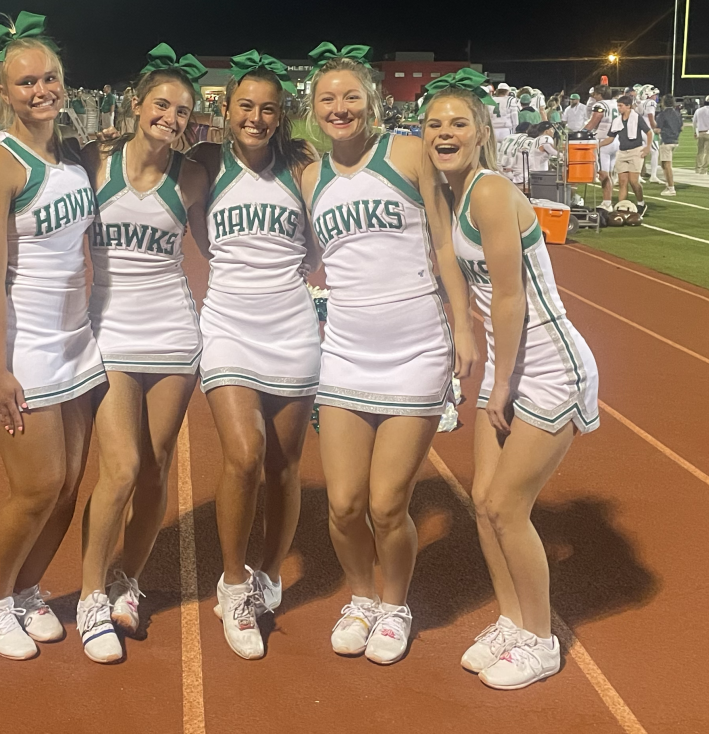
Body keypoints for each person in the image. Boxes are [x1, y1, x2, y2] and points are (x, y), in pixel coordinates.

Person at [423, 73, 599, 690]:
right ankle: (511, 622)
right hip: (509, 364)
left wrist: (499, 386)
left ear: (482, 133)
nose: (445, 133)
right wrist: (471, 347)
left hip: (548, 366)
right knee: (481, 503)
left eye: (458, 123)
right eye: (434, 124)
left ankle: (541, 640)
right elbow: (452, 269)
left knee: (505, 506)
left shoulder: (492, 192)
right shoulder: (451, 194)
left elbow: (509, 297)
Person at [303, 47, 472, 666]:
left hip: (415, 347)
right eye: (328, 98)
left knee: (386, 503)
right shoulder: (309, 177)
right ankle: (360, 597)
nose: (340, 108)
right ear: (314, 109)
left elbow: (445, 242)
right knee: (344, 503)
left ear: (371, 102)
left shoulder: (405, 153)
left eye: (351, 96)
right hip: (345, 351)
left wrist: (464, 327)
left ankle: (395, 605)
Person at [0, 13, 105, 661]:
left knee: (70, 483)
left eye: (50, 77)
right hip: (23, 345)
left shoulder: (69, 155)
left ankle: (27, 589)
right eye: (26, 82)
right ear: (3, 91)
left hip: (74, 337)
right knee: (36, 488)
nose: (41, 90)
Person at [75, 44, 211, 663]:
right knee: (122, 468)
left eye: (182, 110)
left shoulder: (193, 176)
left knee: (155, 465)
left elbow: (218, 245)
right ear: (135, 104)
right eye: (161, 104)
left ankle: (127, 580)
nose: (170, 118)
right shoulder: (94, 159)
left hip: (174, 335)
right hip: (110, 331)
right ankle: (89, 595)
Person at [189, 49, 319, 660]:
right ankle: (233, 583)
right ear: (226, 109)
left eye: (269, 109)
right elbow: (186, 217)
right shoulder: (205, 162)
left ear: (282, 114)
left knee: (285, 465)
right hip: (229, 325)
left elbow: (322, 233)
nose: (256, 118)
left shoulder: (301, 164)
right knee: (244, 455)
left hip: (291, 326)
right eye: (246, 106)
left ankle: (268, 575)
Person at [602, 93, 650, 212]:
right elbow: (610, 138)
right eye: (618, 106)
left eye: (621, 106)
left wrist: (648, 147)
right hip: (622, 152)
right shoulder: (617, 121)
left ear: (628, 106)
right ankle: (621, 207)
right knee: (622, 182)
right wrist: (597, 145)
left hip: (636, 151)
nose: (619, 108)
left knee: (634, 181)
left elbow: (649, 132)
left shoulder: (636, 117)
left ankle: (641, 203)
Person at [585, 87, 620, 206]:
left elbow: (593, 122)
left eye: (595, 94)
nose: (594, 96)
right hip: (615, 140)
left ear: (600, 94)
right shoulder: (615, 103)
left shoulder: (600, 105)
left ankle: (607, 203)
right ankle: (607, 201)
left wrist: (580, 133)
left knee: (603, 174)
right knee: (608, 174)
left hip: (603, 141)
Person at [654, 94, 683, 195]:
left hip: (666, 141)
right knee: (664, 164)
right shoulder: (677, 114)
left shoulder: (662, 114)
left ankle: (671, 188)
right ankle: (669, 184)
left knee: (667, 165)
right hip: (675, 140)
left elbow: (657, 129)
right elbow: (681, 127)